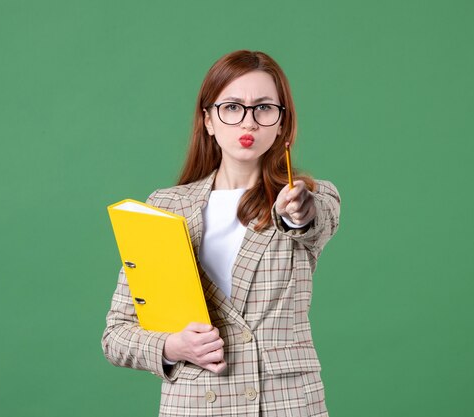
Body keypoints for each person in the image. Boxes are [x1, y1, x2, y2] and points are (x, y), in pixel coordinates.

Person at [102, 50, 340, 417]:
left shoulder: (309, 196)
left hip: (286, 405)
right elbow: (116, 335)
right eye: (232, 107)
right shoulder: (164, 208)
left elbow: (313, 223)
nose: (248, 123)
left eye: (264, 108)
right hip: (197, 405)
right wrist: (173, 346)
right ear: (209, 120)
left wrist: (298, 212)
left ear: (282, 123)